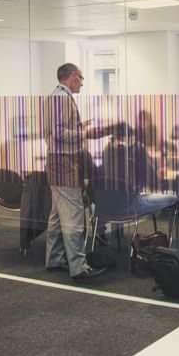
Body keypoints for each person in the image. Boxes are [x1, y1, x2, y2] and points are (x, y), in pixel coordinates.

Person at [43, 63, 105, 280]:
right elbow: (59, 132)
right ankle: (79, 268)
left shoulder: (57, 96)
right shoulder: (61, 98)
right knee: (74, 216)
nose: (82, 82)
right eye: (80, 77)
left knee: (58, 215)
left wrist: (80, 127)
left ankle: (55, 259)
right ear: (70, 77)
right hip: (64, 163)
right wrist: (84, 133)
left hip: (58, 162)